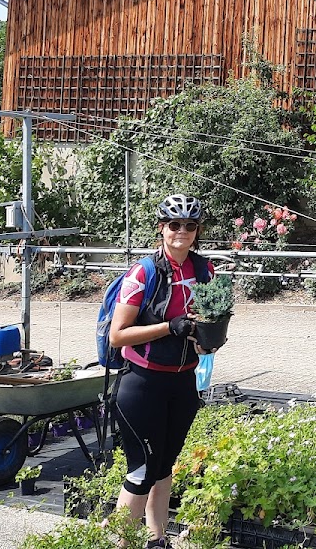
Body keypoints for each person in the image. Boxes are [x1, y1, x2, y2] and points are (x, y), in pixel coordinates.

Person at [109, 193, 214, 549]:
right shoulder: (144, 272)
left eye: (190, 225)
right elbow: (118, 335)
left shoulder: (205, 270)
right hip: (143, 383)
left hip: (182, 381)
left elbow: (205, 324)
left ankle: (157, 540)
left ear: (197, 231)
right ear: (162, 228)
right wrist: (170, 327)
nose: (182, 231)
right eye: (174, 224)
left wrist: (209, 340)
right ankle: (120, 543)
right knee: (142, 470)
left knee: (165, 465)